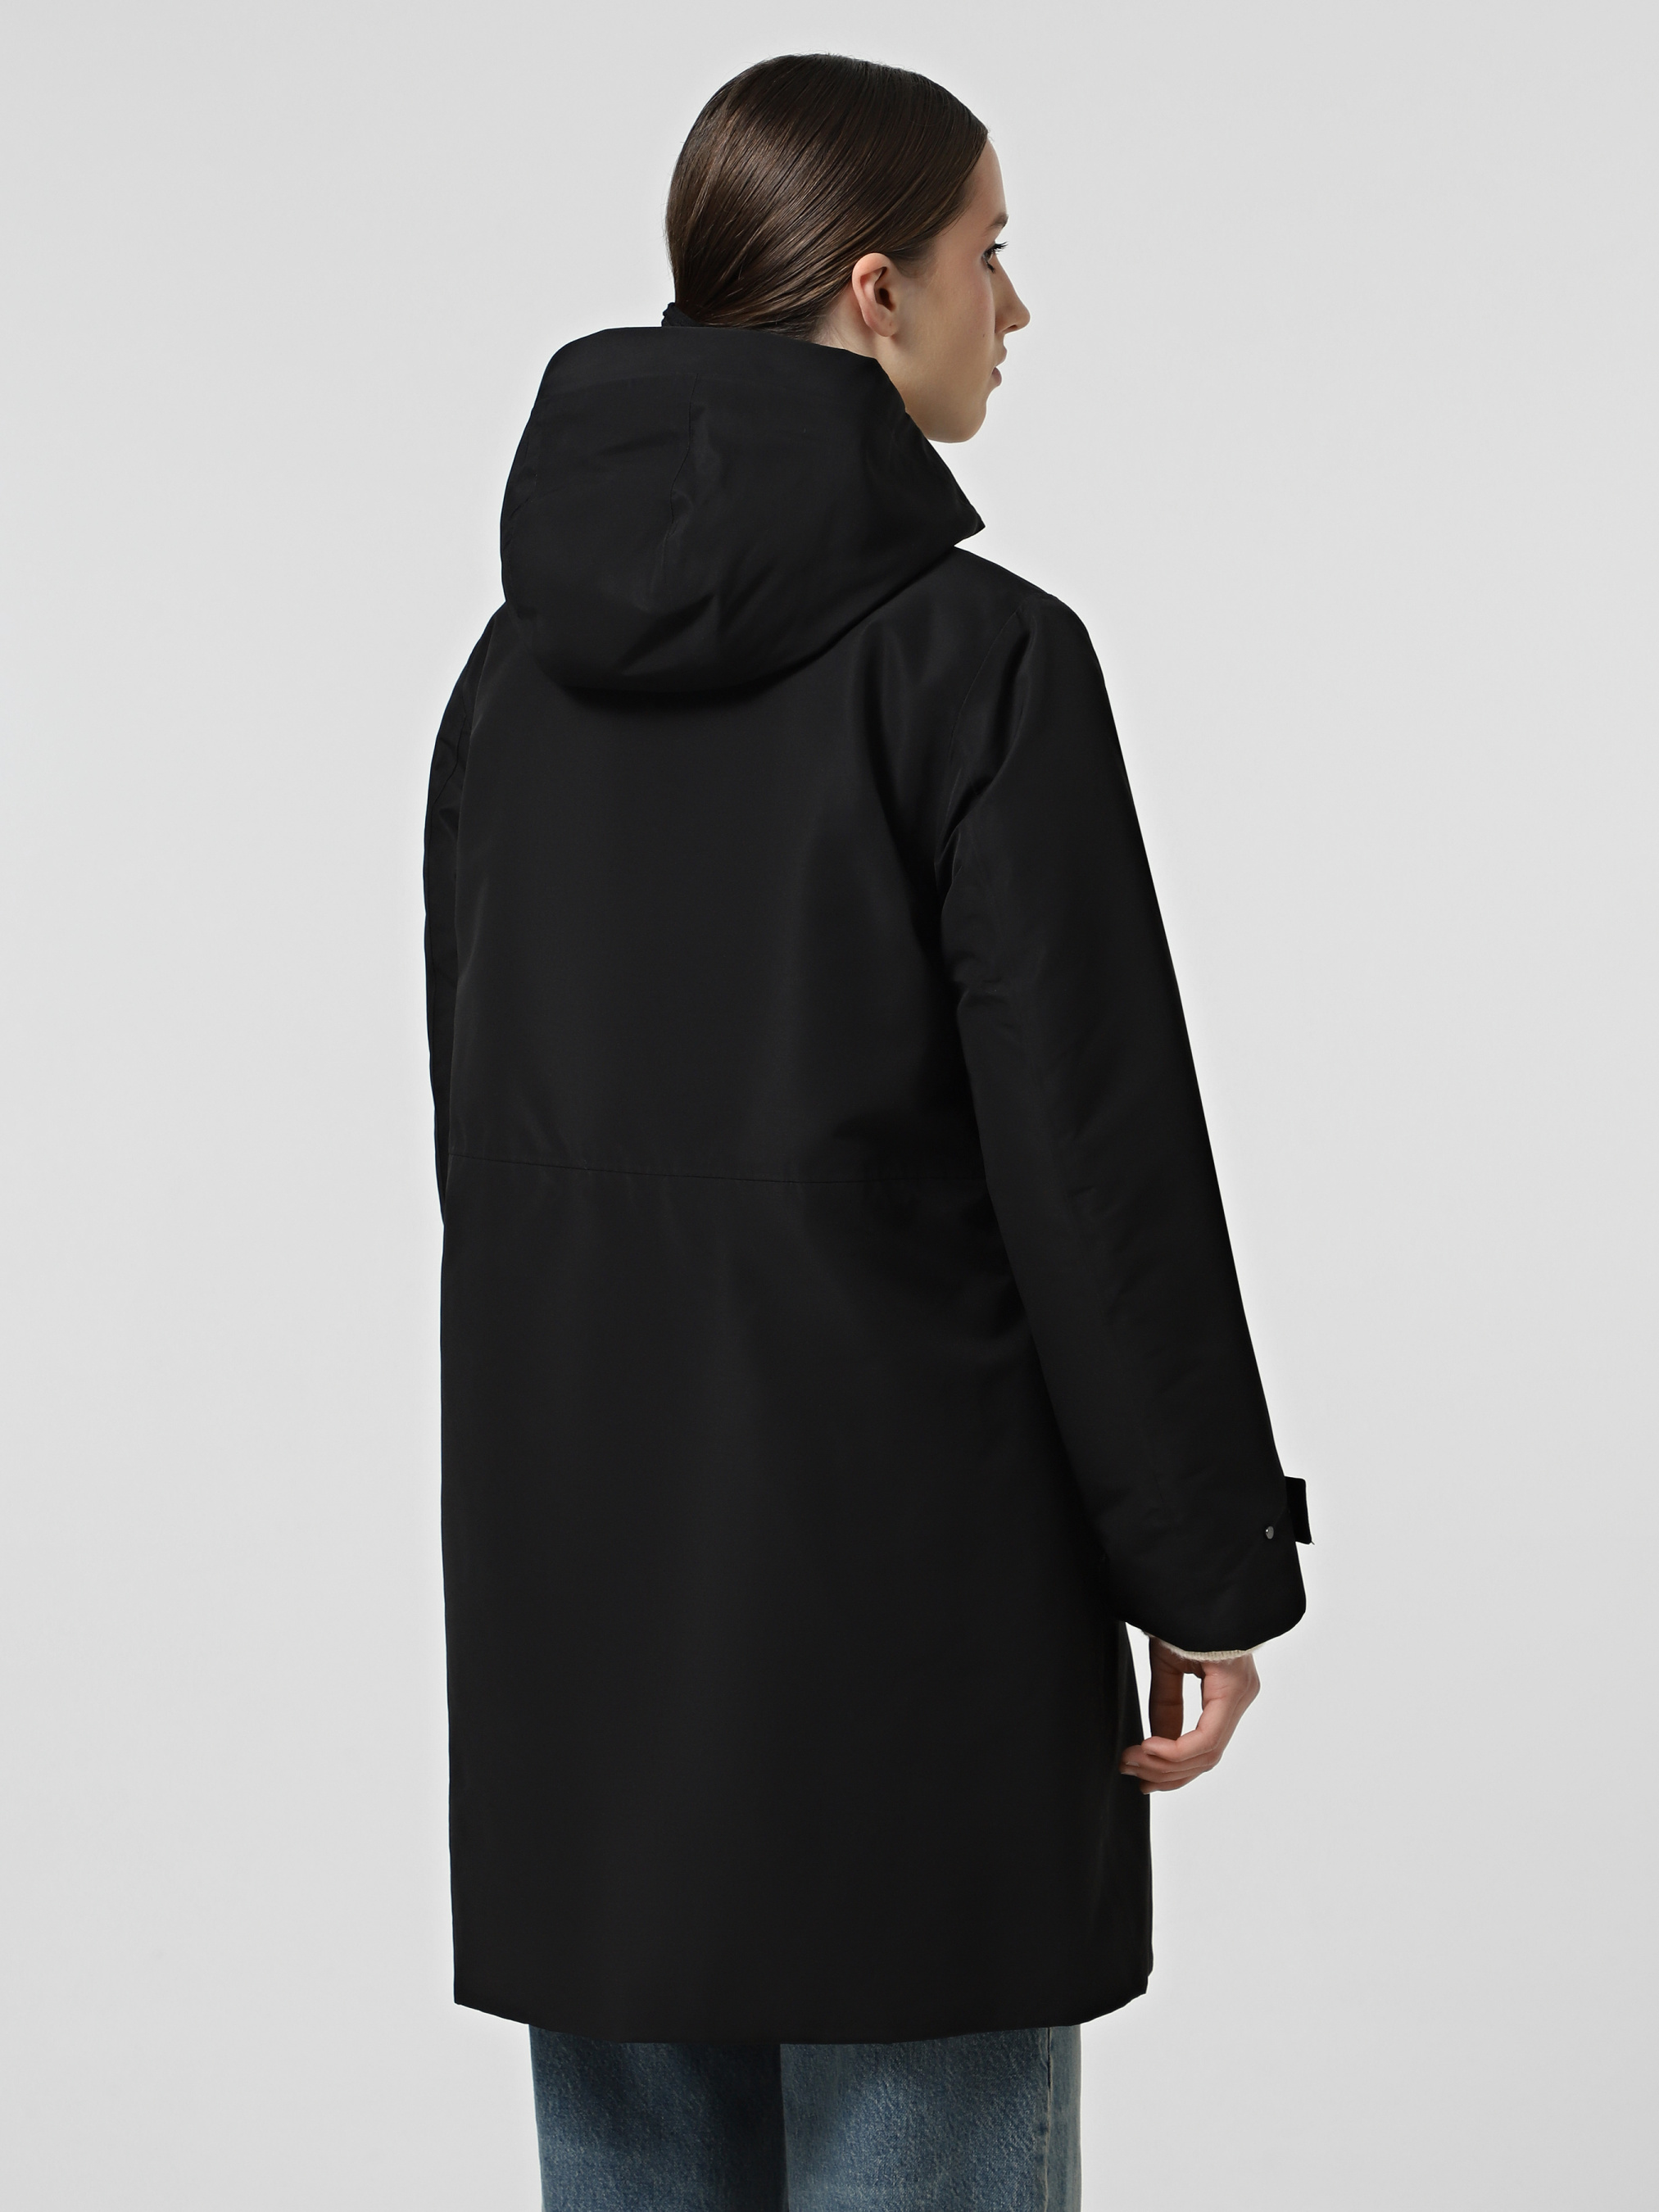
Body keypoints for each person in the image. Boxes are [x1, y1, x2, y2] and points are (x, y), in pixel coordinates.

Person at [423, 51, 1310, 2212]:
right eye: (994, 253)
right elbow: (1092, 1164)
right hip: (916, 1616)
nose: (1020, 306)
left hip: (587, 1619)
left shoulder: (508, 684)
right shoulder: (979, 664)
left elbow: (488, 1153)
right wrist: (1203, 1562)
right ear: (875, 286)